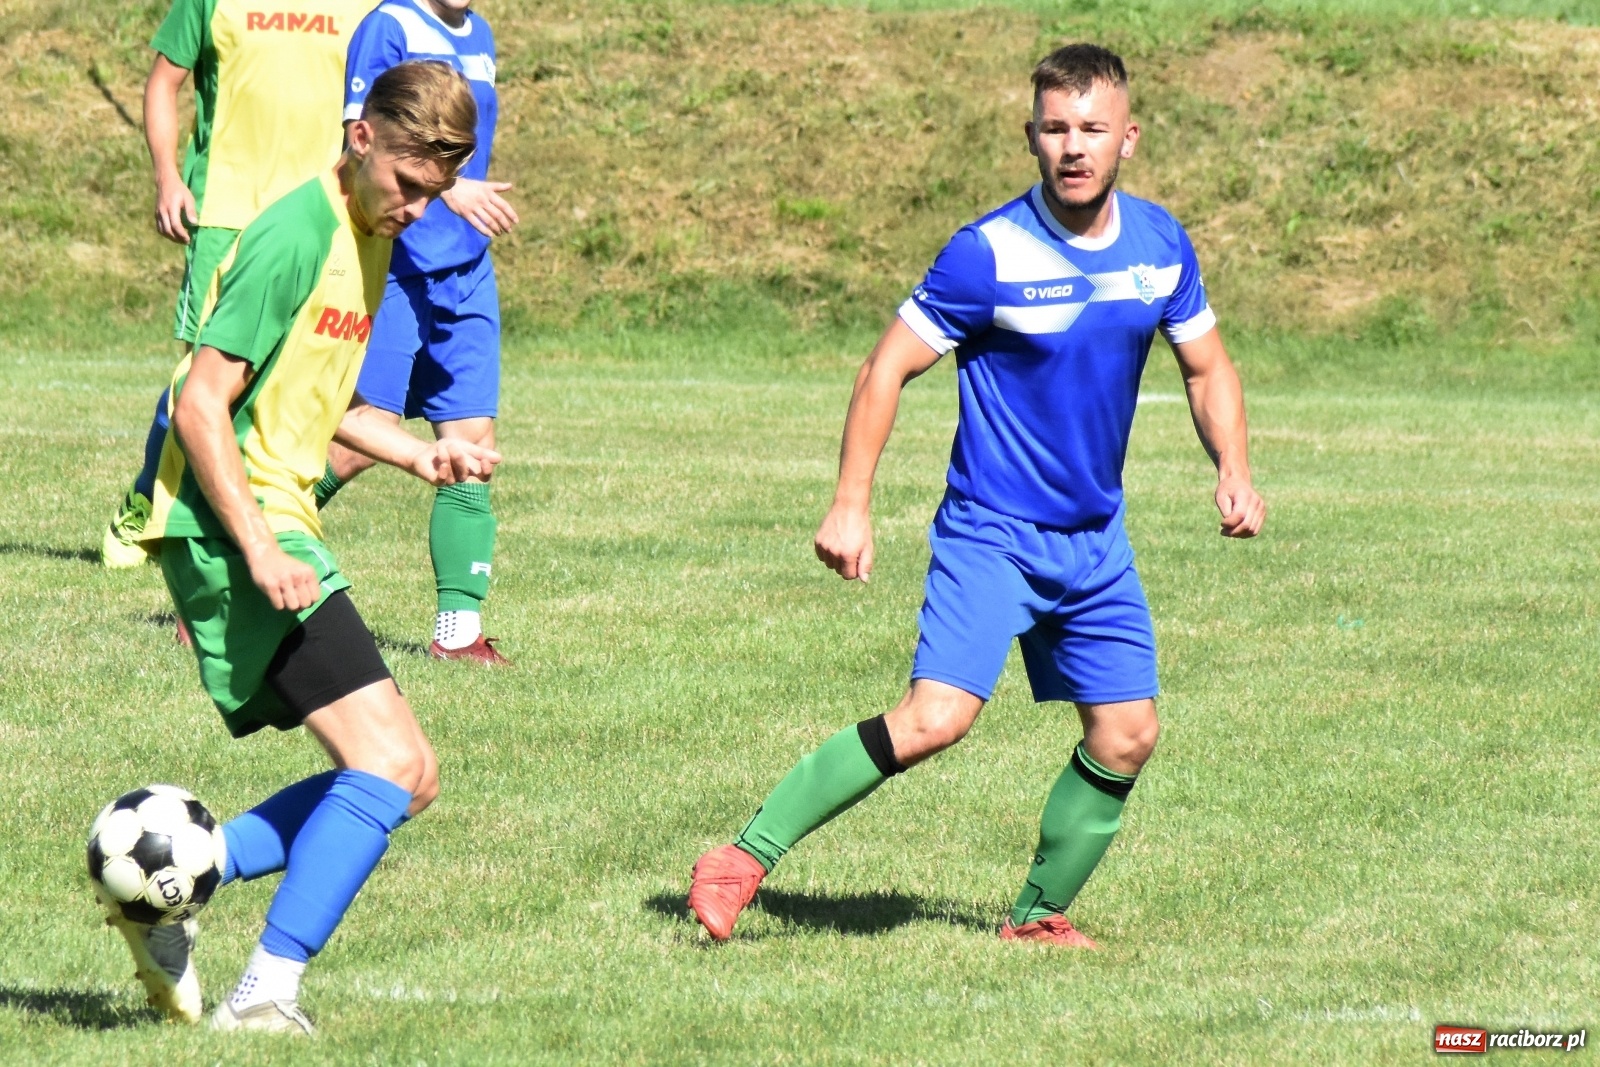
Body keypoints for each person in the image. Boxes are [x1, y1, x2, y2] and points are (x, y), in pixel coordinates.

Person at [688, 44, 1266, 948]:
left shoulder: (1160, 246)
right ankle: (739, 858)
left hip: (1094, 540)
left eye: (1093, 129)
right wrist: (850, 501)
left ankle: (1035, 916)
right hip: (992, 530)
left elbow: (1207, 366)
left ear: (1129, 138)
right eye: (1055, 128)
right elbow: (885, 368)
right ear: (1031, 135)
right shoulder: (987, 253)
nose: (1073, 147)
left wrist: (1232, 465)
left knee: (1127, 733)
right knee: (936, 718)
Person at [101, 62, 494, 1034]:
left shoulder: (369, 234)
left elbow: (310, 398)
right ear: (361, 138)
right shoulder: (296, 233)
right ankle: (264, 992)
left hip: (277, 521)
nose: (417, 208)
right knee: (389, 764)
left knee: (409, 775)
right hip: (234, 526)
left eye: (435, 191)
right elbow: (201, 403)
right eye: (407, 182)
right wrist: (260, 548)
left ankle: (177, 877)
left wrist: (416, 451)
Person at [102, 0, 378, 570]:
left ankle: (260, 522)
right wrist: (167, 176)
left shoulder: (369, 7)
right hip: (226, 213)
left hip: (319, 219)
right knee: (203, 380)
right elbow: (163, 82)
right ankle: (149, 503)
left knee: (293, 384)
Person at [313, 0, 516, 665]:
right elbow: (361, 142)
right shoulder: (390, 25)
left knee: (472, 446)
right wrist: (451, 190)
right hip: (397, 260)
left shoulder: (479, 34)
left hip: (466, 268)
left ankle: (458, 632)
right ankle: (233, 568)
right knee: (360, 438)